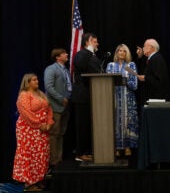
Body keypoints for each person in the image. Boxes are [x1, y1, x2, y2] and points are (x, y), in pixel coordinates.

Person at [12, 73, 54, 191]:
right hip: (28, 129)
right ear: (28, 82)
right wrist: (39, 124)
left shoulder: (40, 94)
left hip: (43, 129)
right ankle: (29, 183)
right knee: (30, 154)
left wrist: (49, 123)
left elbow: (49, 109)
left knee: (42, 154)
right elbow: (26, 114)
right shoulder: (24, 95)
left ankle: (39, 179)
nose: (37, 81)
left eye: (37, 79)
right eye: (34, 80)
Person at [71, 32, 101, 161]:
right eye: (95, 41)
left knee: (89, 126)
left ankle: (87, 151)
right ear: (88, 41)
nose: (97, 44)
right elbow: (81, 65)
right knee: (82, 125)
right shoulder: (81, 54)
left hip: (92, 95)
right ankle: (80, 153)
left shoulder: (92, 55)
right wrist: (89, 51)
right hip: (82, 96)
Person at [106, 43, 139, 157]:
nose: (122, 53)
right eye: (119, 50)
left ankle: (127, 146)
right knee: (115, 122)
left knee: (127, 122)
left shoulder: (131, 65)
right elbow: (106, 83)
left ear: (127, 53)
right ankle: (115, 147)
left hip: (127, 98)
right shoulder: (110, 65)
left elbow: (134, 84)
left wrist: (125, 80)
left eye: (124, 51)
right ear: (116, 53)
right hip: (114, 98)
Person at [44, 48, 72, 168]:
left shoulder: (65, 69)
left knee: (61, 133)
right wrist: (61, 99)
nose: (67, 55)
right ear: (57, 57)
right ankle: (53, 160)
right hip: (55, 106)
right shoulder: (51, 69)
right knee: (54, 133)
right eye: (64, 53)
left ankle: (58, 158)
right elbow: (49, 88)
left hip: (65, 106)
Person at [137, 38, 170, 103]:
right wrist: (140, 56)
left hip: (156, 98)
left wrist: (145, 78)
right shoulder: (151, 58)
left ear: (151, 48)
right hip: (152, 96)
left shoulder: (156, 58)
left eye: (144, 46)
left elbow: (159, 79)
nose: (143, 48)